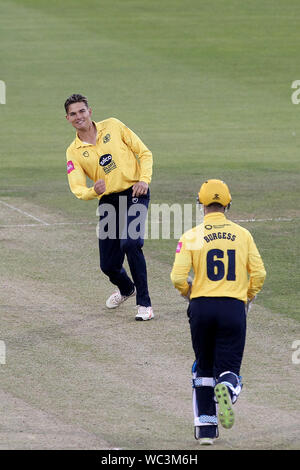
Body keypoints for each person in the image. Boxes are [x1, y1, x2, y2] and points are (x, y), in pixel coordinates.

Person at [170, 179, 266, 445]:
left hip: (201, 307)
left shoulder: (191, 236)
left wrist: (190, 294)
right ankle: (227, 385)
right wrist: (246, 297)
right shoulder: (243, 235)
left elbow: (178, 277)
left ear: (201, 205)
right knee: (228, 368)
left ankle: (206, 430)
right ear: (228, 205)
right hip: (233, 308)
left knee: (202, 368)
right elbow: (259, 273)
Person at [65, 93, 154, 321]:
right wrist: (92, 191)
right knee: (108, 265)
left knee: (131, 243)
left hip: (135, 192)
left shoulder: (113, 126)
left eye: (82, 111)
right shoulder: (73, 151)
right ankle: (126, 289)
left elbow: (144, 153)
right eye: (73, 114)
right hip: (108, 202)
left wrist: (144, 180)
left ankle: (144, 304)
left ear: (90, 111)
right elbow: (77, 187)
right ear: (68, 119)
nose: (79, 117)